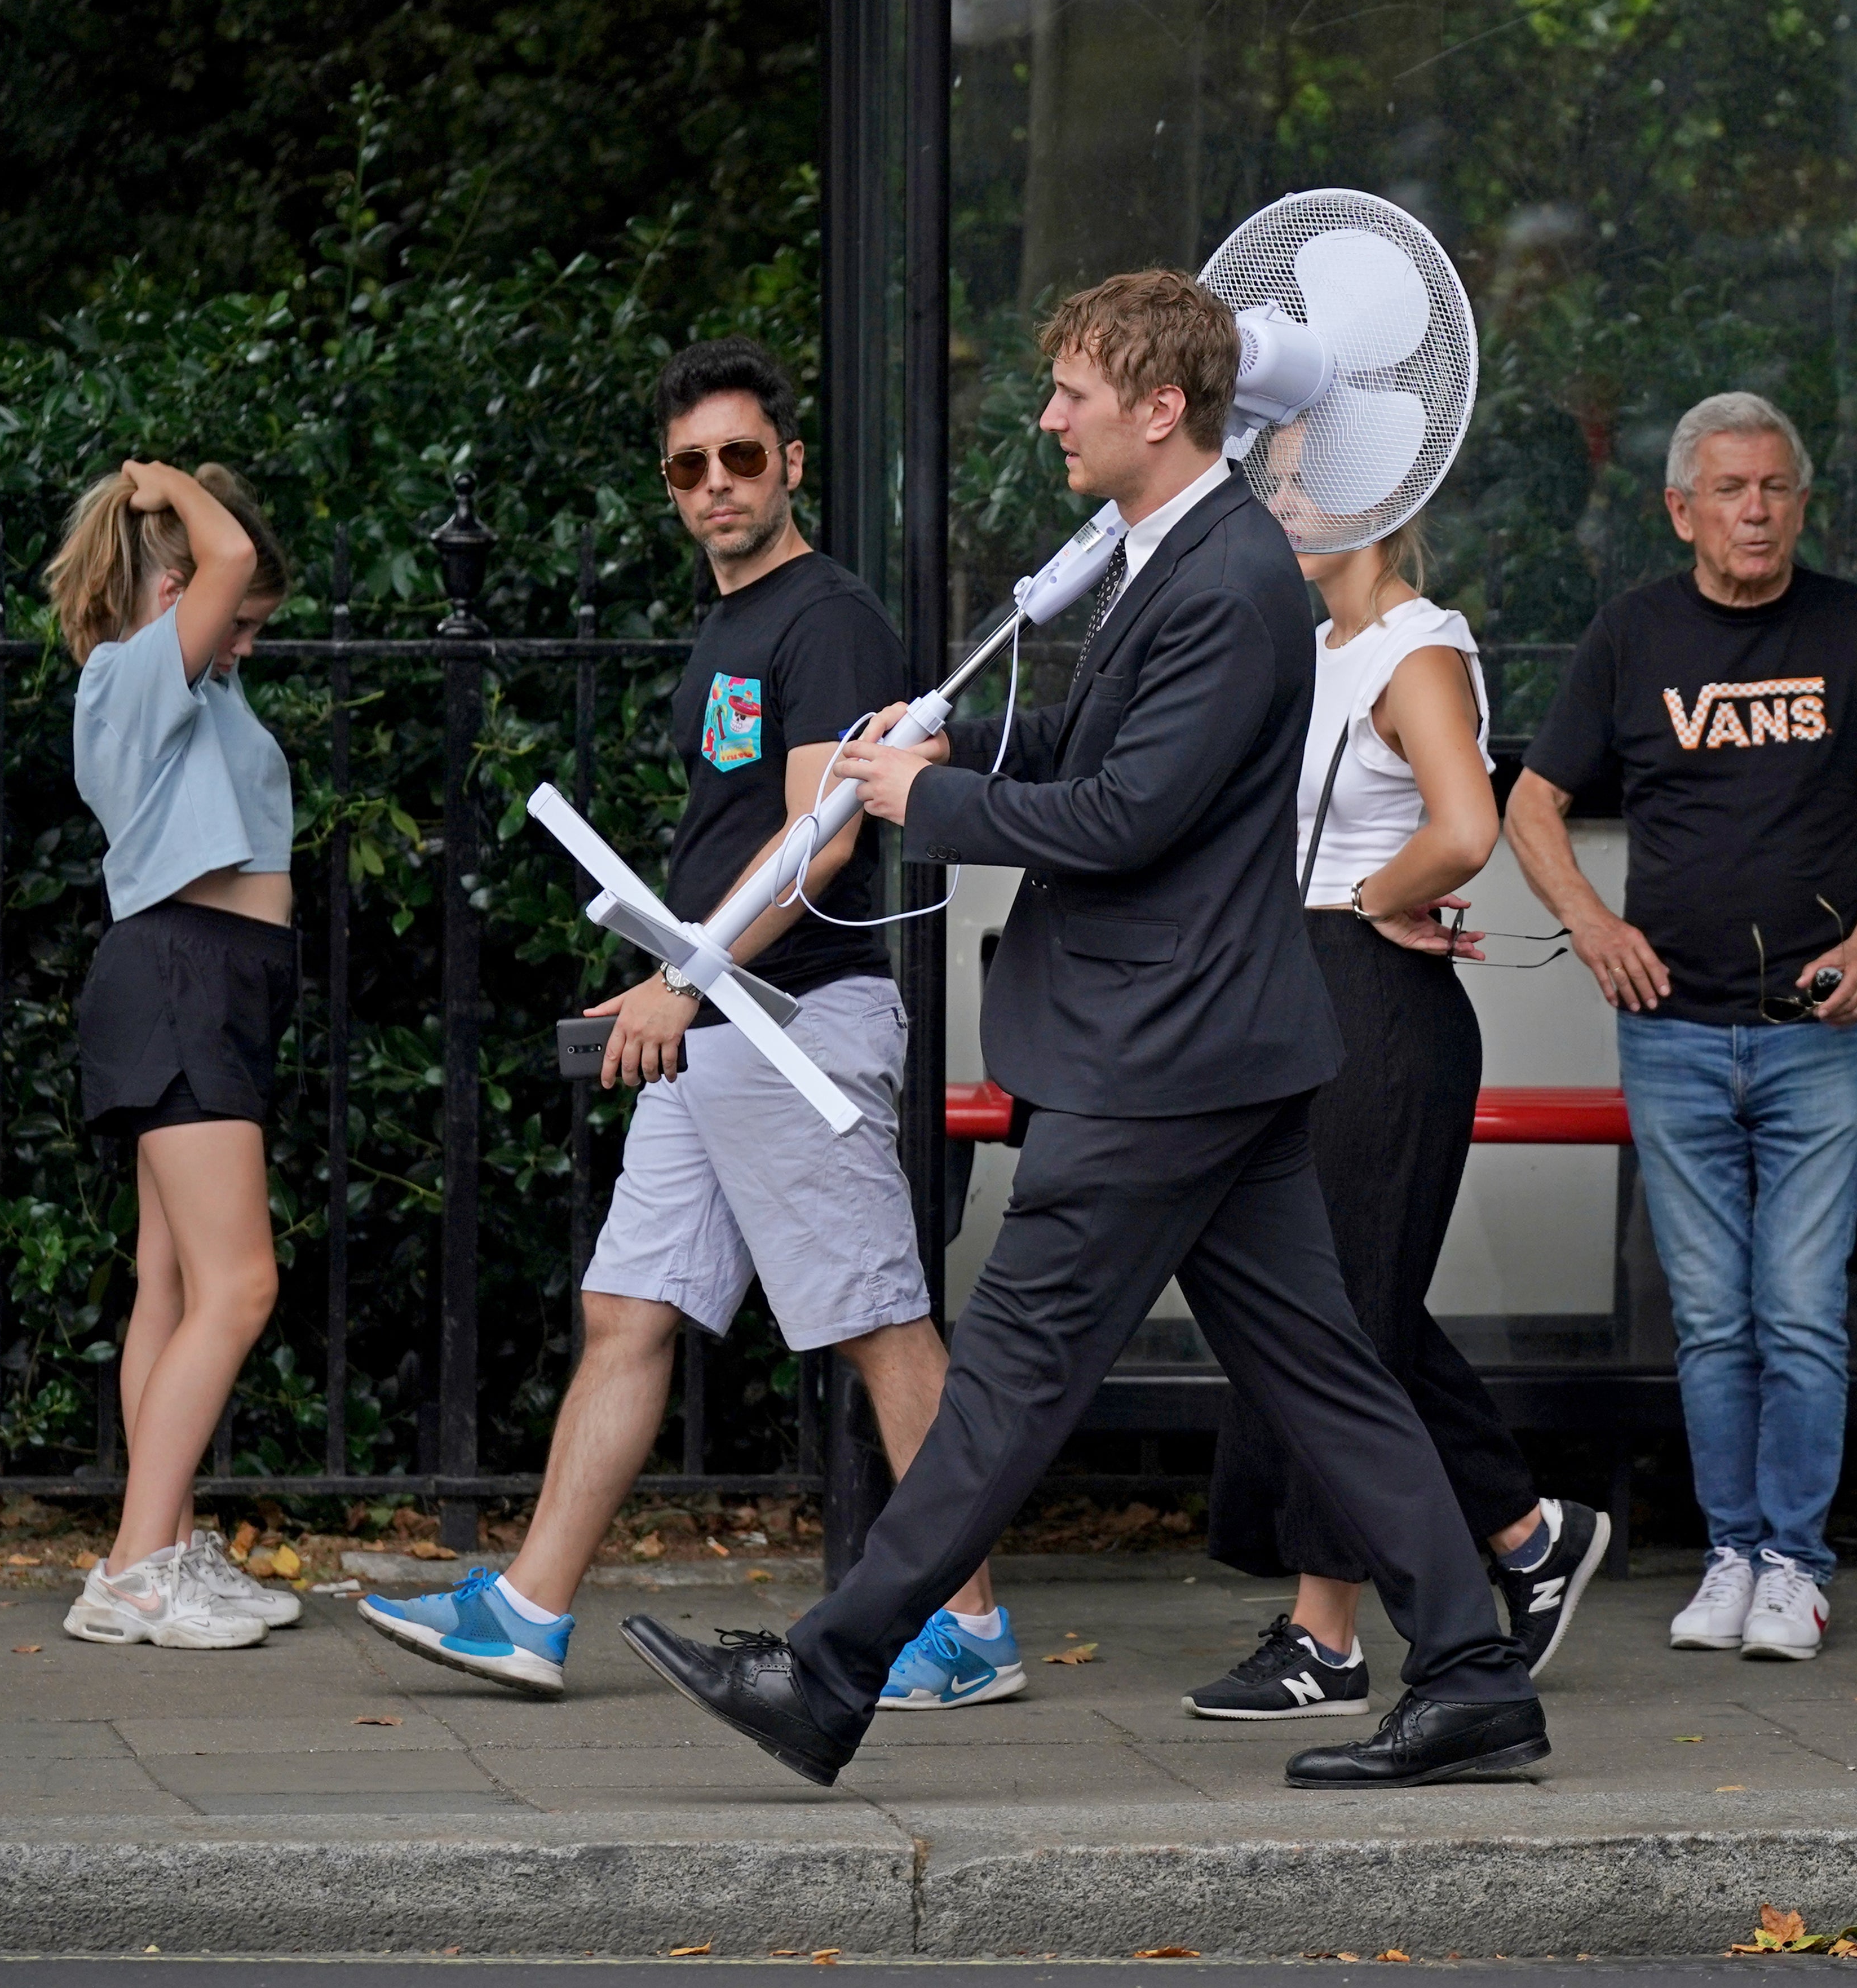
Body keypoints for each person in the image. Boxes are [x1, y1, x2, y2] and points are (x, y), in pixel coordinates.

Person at [618, 271, 1547, 1790]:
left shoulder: (1230, 575)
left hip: (1160, 1053)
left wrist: (930, 801)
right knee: (1324, 1375)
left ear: (1161, 408)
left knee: (1008, 1378)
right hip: (1205, 1047)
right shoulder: (1174, 557)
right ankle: (1470, 1669)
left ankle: (825, 1670)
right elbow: (1085, 749)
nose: (1047, 415)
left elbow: (1128, 817)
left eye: (1072, 393)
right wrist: (947, 738)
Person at [360, 337, 1013, 1704]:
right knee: (624, 1309)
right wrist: (670, 975)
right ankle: (530, 1610)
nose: (715, 485)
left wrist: (685, 977)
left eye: (738, 457)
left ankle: (971, 1624)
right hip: (722, 1015)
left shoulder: (825, 616)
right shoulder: (732, 623)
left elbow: (818, 841)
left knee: (876, 1320)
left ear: (787, 461)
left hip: (795, 1018)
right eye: (688, 466)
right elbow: (745, 837)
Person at [1506, 391, 1857, 1663]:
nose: (1754, 511)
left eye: (1775, 489)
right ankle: (1729, 1553)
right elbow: (1534, 805)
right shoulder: (1630, 632)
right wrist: (1592, 924)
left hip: (1813, 1028)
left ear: (1801, 504)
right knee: (1710, 1316)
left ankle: (1796, 1567)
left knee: (1801, 1311)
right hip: (1672, 1029)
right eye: (1730, 490)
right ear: (1680, 509)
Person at [1188, 512, 1611, 1721]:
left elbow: (1466, 825)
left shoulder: (1418, 650)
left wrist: (1375, 898)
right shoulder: (1311, 645)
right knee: (1324, 1299)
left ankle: (1327, 1636)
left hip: (1373, 1009)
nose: (1270, 524)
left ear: (1378, 504)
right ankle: (1527, 1537)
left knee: (1343, 1320)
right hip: (1302, 997)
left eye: (1297, 500)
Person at [51, 460, 307, 1650]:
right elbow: (234, 560)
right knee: (242, 1282)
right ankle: (136, 1568)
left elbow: (235, 572)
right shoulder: (135, 672)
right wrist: (166, 480)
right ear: (172, 587)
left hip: (205, 979)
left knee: (174, 1283)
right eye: (236, 623)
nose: (245, 640)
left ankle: (162, 1541)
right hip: (182, 977)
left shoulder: (180, 687)